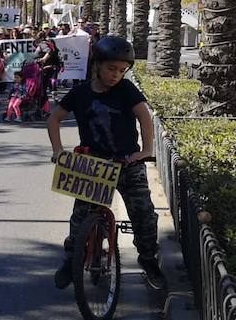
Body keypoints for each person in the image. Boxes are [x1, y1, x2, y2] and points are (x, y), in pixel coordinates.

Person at [46, 36, 166, 290]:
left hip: (128, 163)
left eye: (122, 70)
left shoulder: (126, 90)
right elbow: (54, 119)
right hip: (93, 166)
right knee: (81, 216)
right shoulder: (80, 93)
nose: (116, 75)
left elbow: (144, 116)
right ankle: (72, 259)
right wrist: (58, 150)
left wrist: (145, 150)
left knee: (144, 214)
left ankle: (148, 260)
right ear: (97, 65)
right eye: (111, 68)